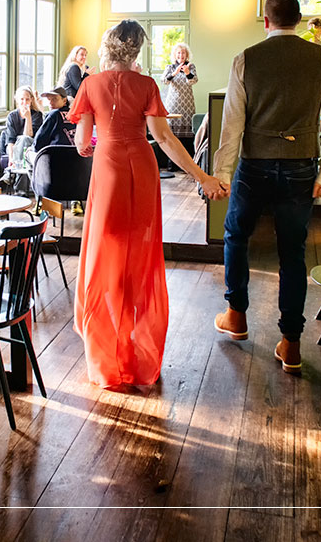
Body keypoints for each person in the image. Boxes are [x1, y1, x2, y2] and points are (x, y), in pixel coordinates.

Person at [69, 20, 228, 389]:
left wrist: (91, 141)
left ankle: (109, 353)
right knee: (136, 255)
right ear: (137, 49)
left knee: (106, 253)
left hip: (108, 170)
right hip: (141, 168)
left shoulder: (90, 85)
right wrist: (201, 178)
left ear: (107, 46)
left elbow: (81, 142)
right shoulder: (147, 85)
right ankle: (133, 351)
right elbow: (165, 138)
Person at [212, 0, 321, 374]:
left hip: (254, 166)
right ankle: (290, 343)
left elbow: (232, 124)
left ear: (266, 21)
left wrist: (223, 174)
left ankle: (236, 315)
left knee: (236, 235)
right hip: (301, 166)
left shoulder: (246, 59)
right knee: (293, 251)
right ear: (301, 20)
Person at [161, 42, 198, 146]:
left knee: (188, 137)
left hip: (187, 105)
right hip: (173, 104)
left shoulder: (191, 67)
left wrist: (187, 72)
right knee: (172, 135)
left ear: (187, 55)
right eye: (178, 53)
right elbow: (164, 81)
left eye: (183, 53)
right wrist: (174, 73)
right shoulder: (170, 67)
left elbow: (193, 81)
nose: (181, 55)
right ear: (175, 55)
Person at [0, 86, 42, 175]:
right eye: (22, 99)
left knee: (24, 139)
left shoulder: (37, 115)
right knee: (19, 140)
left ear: (31, 100)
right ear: (17, 101)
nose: (24, 102)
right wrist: (11, 159)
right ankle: (12, 171)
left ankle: (9, 174)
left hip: (29, 147)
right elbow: (10, 140)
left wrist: (28, 118)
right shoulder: (12, 116)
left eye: (27, 99)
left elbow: (28, 136)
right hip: (14, 147)